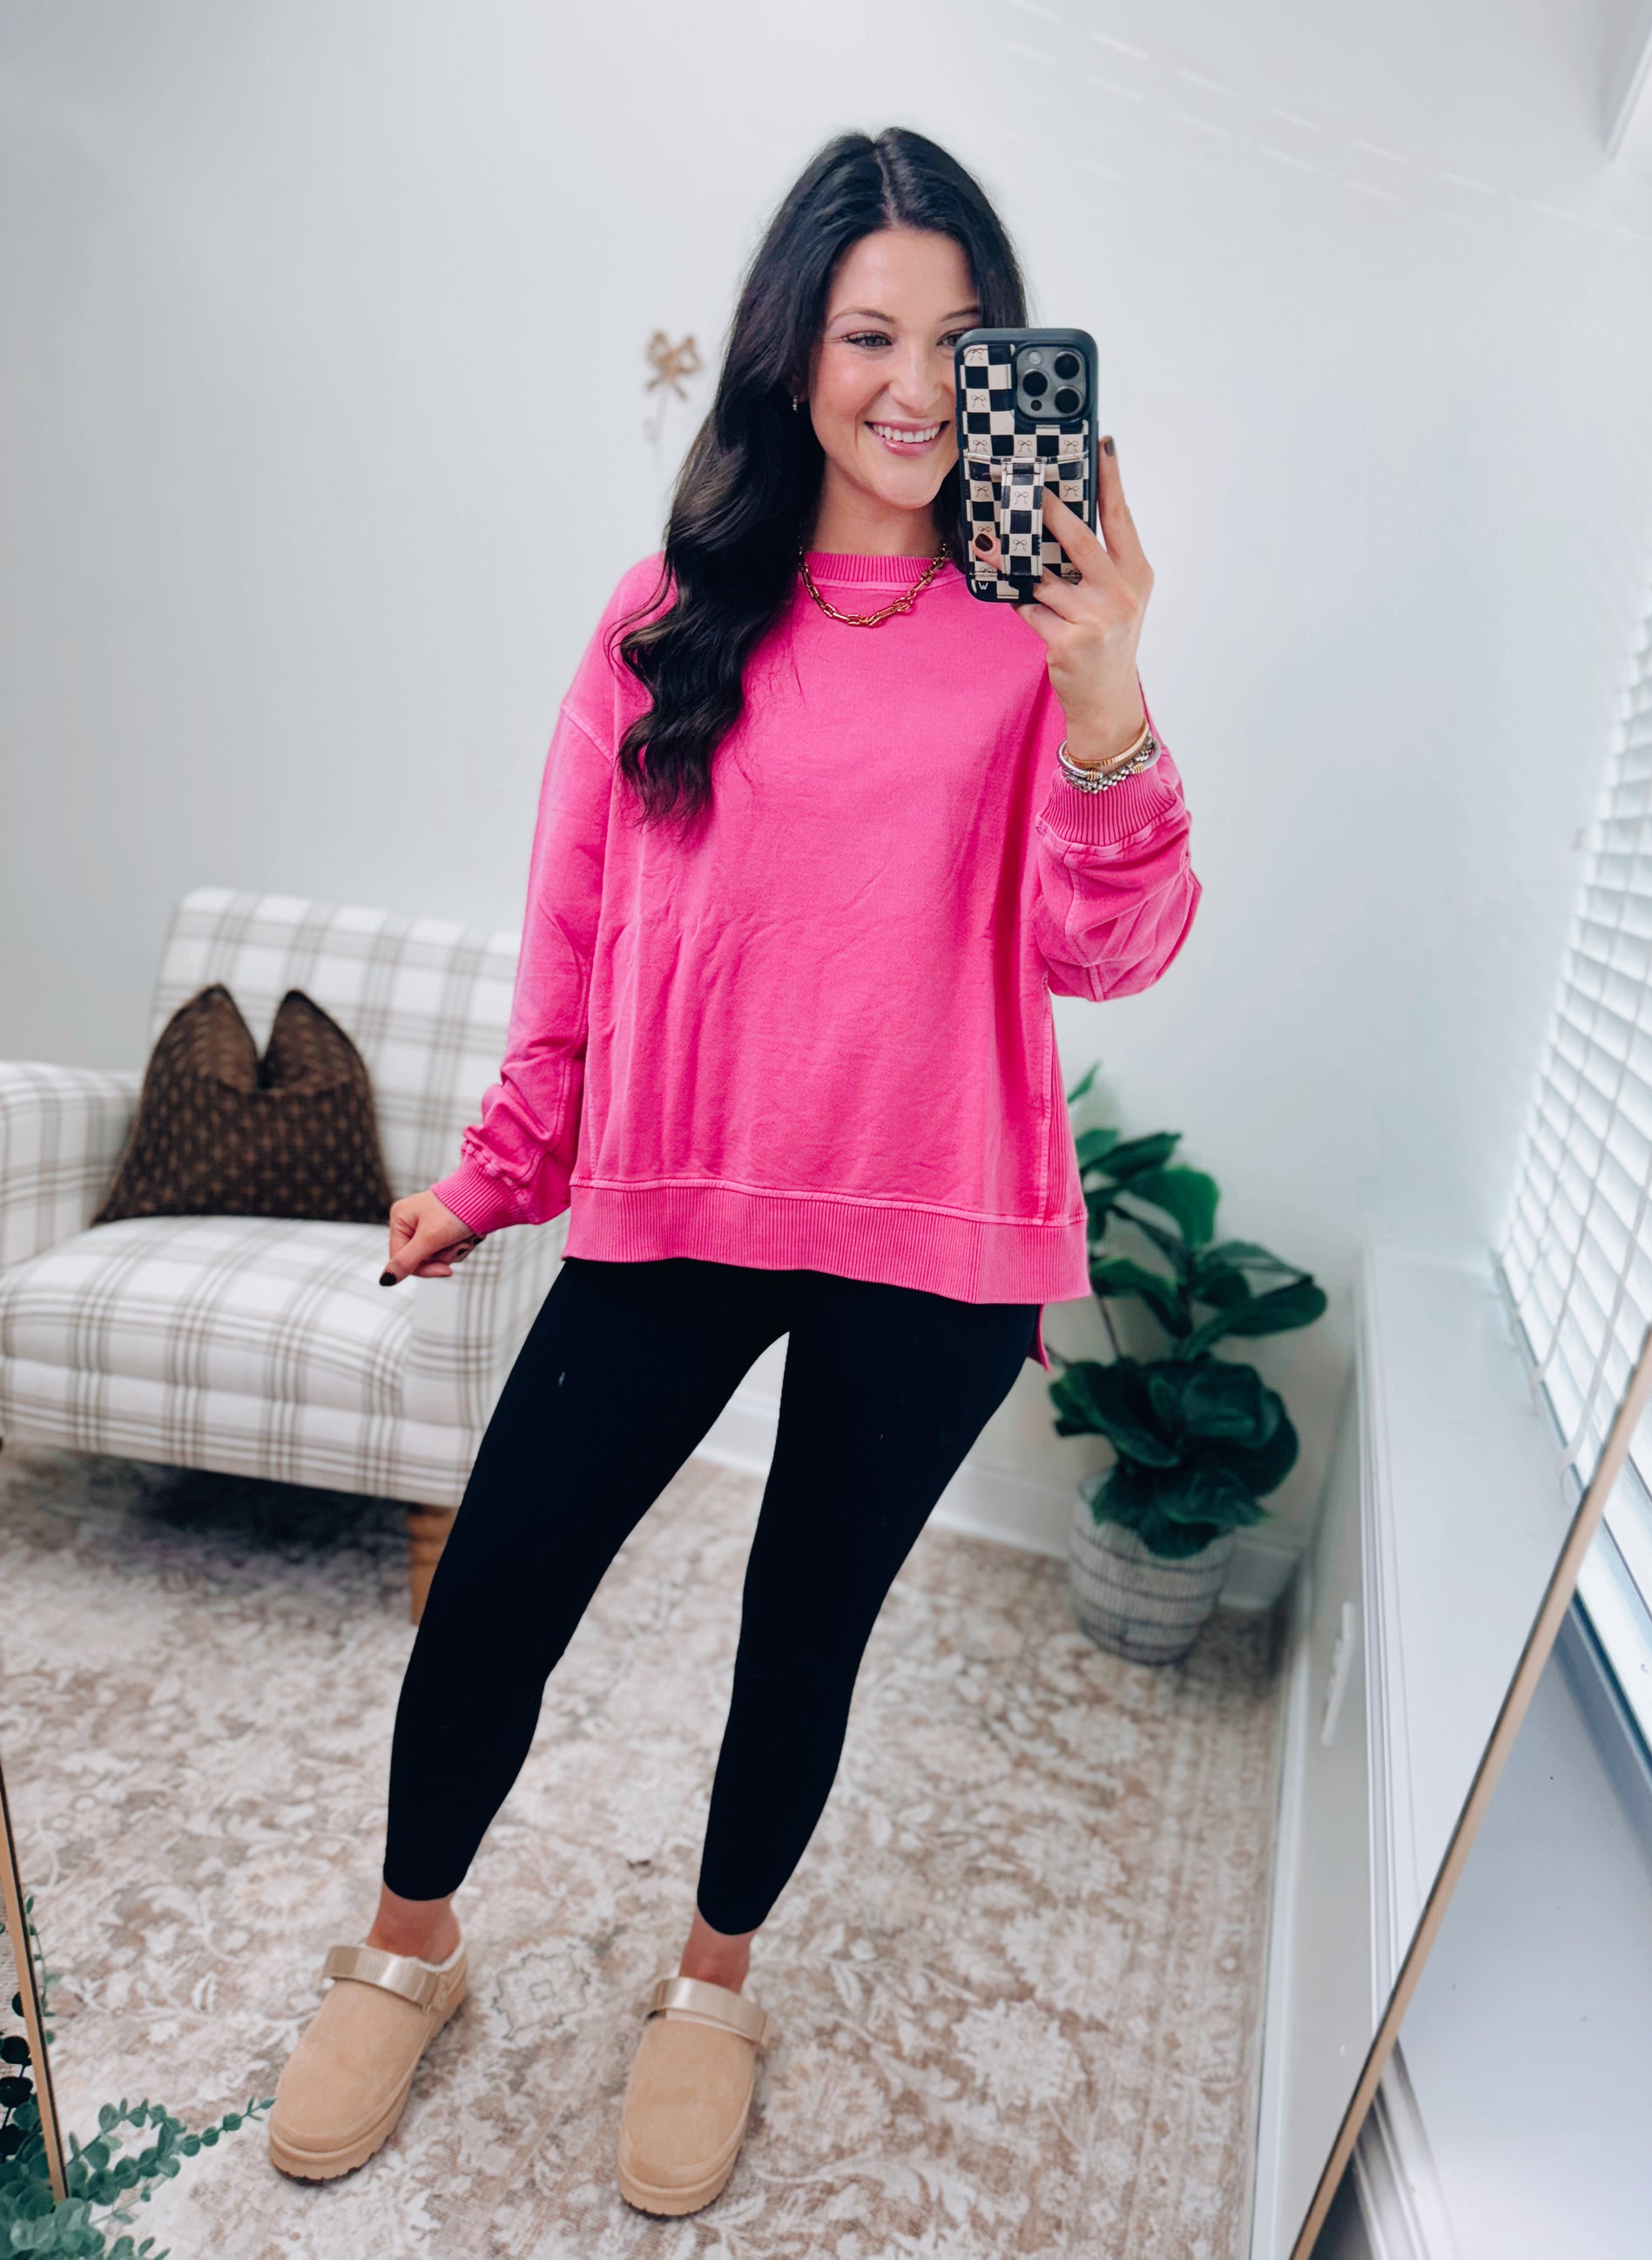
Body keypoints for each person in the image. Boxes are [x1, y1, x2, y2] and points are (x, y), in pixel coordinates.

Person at [266, 125, 1199, 2217]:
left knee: (802, 1631)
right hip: (680, 1201)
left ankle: (712, 1982)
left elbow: (1109, 947)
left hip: (940, 1244)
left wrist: (1106, 686)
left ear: (1013, 361)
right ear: (792, 351)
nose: (915, 386)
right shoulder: (666, 614)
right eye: (869, 333)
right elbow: (578, 928)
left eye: (961, 339)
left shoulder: (1038, 632)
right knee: (500, 1586)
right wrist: (499, 1168)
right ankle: (406, 1943)